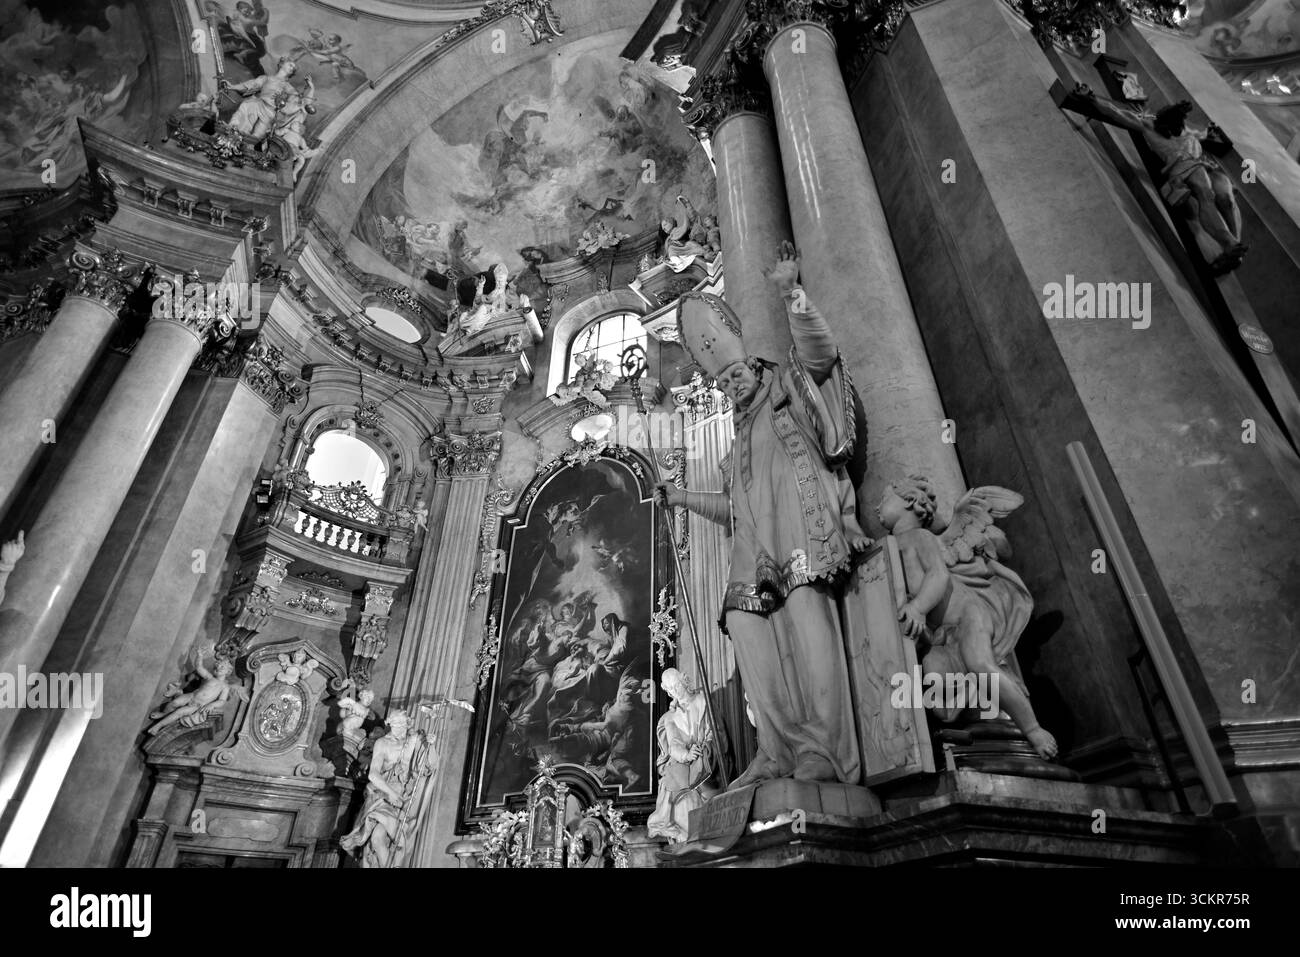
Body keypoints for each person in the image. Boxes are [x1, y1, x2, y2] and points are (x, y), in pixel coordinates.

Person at [657, 242, 868, 787]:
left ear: (753, 364)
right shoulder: (739, 436)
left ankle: (823, 748)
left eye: (736, 375)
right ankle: (776, 750)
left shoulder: (787, 392)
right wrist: (683, 500)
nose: (731, 385)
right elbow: (734, 507)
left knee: (806, 620)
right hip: (753, 545)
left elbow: (821, 357)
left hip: (801, 527)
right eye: (721, 382)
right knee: (746, 624)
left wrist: (794, 295)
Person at [1071, 90, 1247, 273]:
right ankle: (1230, 244)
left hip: (1207, 167)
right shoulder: (1148, 125)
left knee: (1227, 199)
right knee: (1206, 194)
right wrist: (1092, 99)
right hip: (1184, 167)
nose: (1177, 131)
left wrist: (1210, 128)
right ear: (1163, 125)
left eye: (1179, 127)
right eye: (1172, 129)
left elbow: (1208, 134)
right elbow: (1115, 112)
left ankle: (1234, 248)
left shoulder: (1187, 130)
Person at [339, 709, 437, 867]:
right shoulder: (382, 743)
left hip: (405, 797)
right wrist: (390, 794)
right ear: (390, 724)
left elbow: (427, 767)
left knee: (383, 839)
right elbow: (373, 775)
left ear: (408, 724)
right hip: (382, 795)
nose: (399, 728)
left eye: (403, 725)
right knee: (376, 838)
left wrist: (429, 746)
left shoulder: (413, 740)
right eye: (396, 724)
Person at [646, 669, 721, 842]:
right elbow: (674, 745)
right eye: (670, 689)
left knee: (695, 787)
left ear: (684, 680)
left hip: (706, 759)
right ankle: (686, 837)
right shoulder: (670, 718)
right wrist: (686, 755)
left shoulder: (703, 702)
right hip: (684, 763)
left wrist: (705, 746)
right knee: (674, 785)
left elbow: (714, 731)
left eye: (677, 685)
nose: (675, 691)